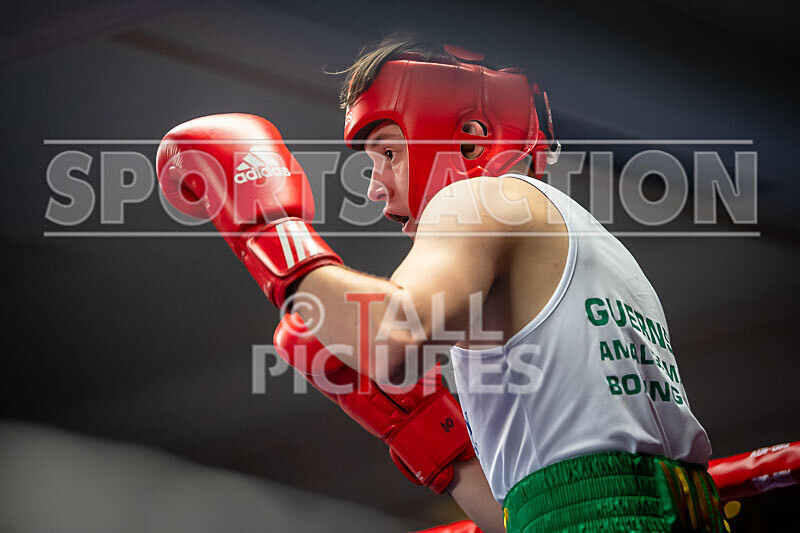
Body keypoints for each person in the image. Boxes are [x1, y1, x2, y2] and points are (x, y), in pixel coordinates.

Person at [156, 33, 727, 533]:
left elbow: (389, 339)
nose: (376, 188)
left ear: (470, 136)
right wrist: (427, 432)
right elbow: (530, 513)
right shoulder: (599, 250)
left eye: (387, 153)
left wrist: (271, 231)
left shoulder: (480, 199)